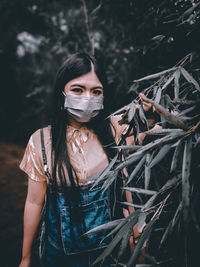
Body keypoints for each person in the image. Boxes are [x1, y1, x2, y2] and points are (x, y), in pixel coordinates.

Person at [19, 53, 140, 267]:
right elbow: (34, 202)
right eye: (77, 89)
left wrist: (135, 225)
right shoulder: (41, 141)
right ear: (62, 92)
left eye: (96, 91)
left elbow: (124, 178)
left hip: (110, 253)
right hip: (58, 256)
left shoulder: (114, 129)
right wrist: (26, 257)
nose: (87, 98)